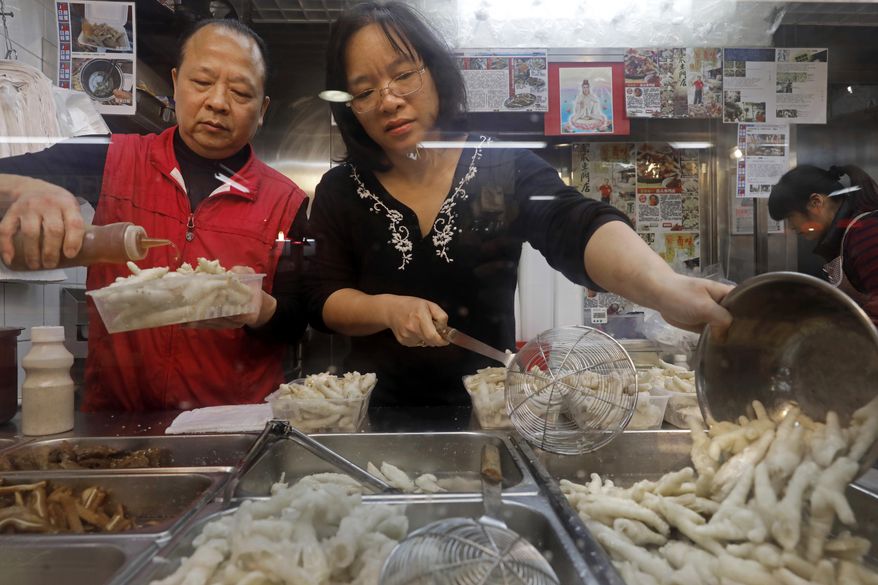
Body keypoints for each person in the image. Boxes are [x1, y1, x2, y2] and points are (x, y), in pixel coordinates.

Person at [306, 1, 731, 411]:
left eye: (403, 75)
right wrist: (388, 308)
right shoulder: (340, 188)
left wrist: (664, 287)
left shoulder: (502, 167)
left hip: (492, 412)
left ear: (435, 74)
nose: (388, 100)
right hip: (369, 416)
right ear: (350, 109)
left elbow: (576, 224)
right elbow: (324, 298)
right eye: (363, 91)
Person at [0, 19, 308, 411]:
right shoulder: (112, 156)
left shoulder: (287, 201)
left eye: (241, 92)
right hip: (116, 420)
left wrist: (263, 310)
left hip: (234, 427)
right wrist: (24, 189)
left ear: (262, 110)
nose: (217, 101)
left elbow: (298, 320)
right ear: (175, 83)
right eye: (202, 82)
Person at [769, 164, 878, 323]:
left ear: (816, 202)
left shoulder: (866, 233)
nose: (791, 226)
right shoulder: (840, 240)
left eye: (791, 216)